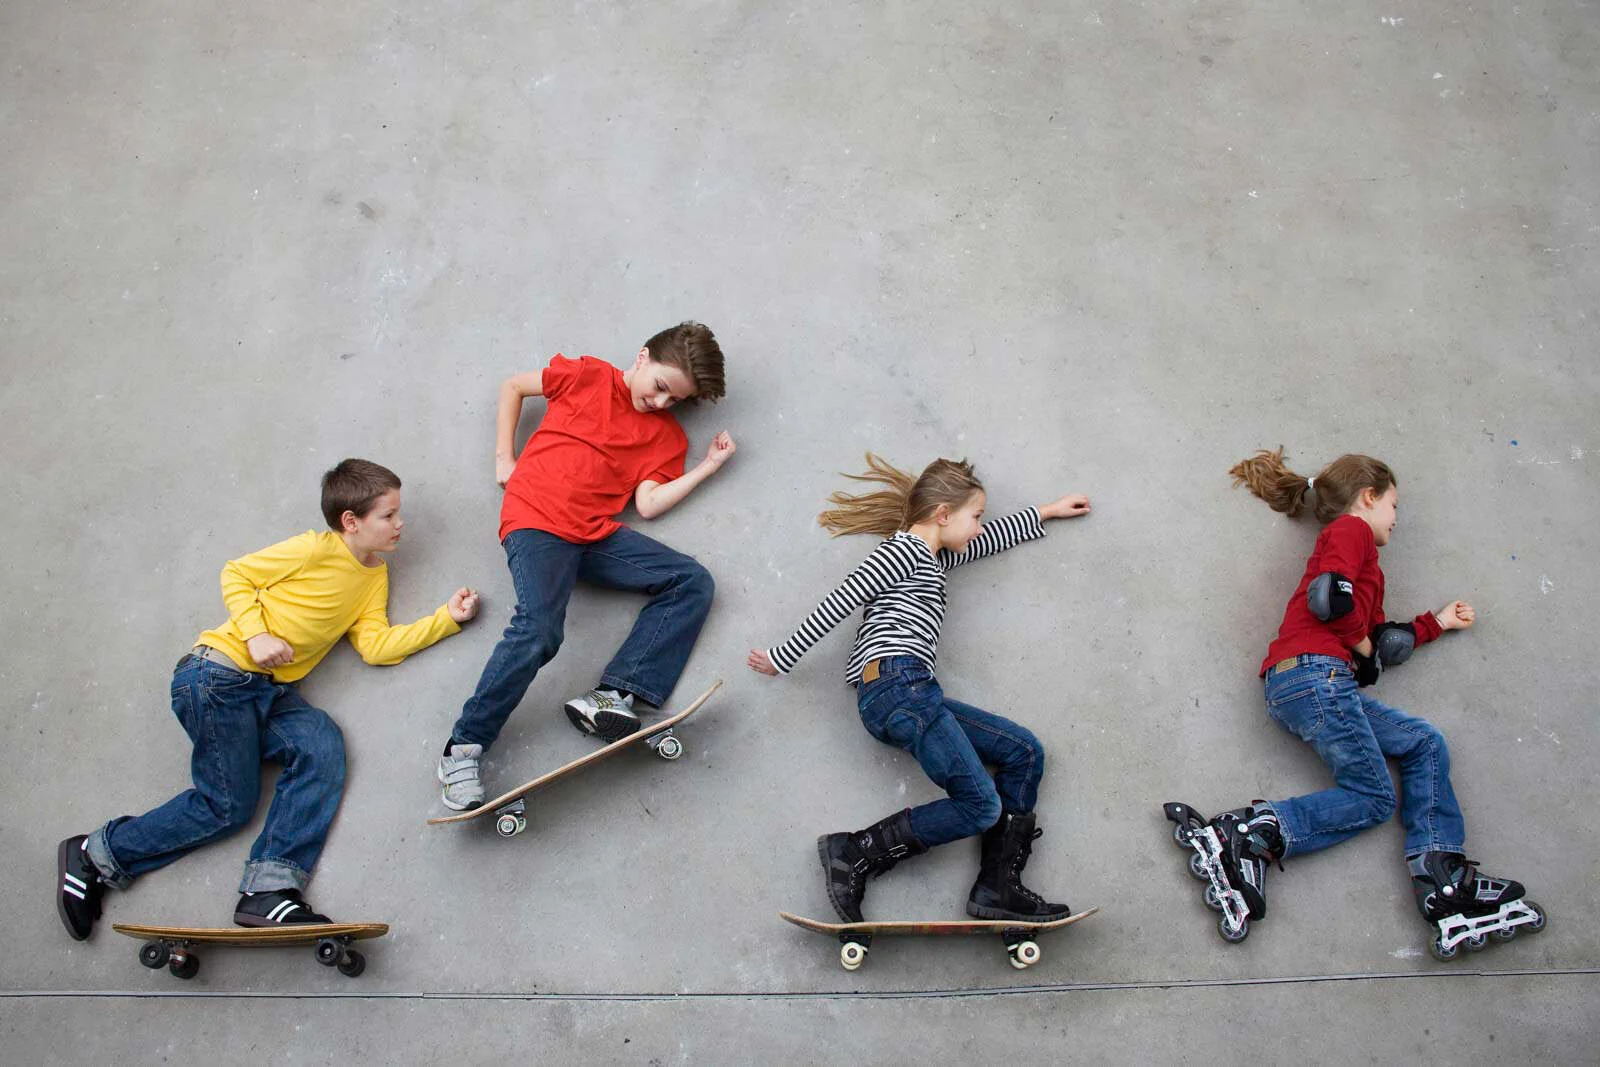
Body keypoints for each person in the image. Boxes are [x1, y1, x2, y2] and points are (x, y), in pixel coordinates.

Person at [57, 459, 479, 939]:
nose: (400, 523)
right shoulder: (313, 549)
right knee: (227, 806)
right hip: (217, 674)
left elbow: (375, 646)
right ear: (351, 521)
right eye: (388, 515)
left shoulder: (374, 577)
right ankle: (94, 855)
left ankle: (270, 888)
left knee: (319, 742)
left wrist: (445, 619)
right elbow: (236, 574)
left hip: (263, 692)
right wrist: (256, 635)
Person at [1180, 447, 1542, 956]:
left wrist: (1436, 624)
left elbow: (1382, 640)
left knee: (1423, 743)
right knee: (1373, 799)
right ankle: (1251, 834)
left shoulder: (1367, 562)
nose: (1396, 518)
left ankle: (1442, 875)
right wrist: (1364, 648)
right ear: (1368, 497)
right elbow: (1330, 598)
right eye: (1394, 505)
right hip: (1316, 676)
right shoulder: (1350, 531)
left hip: (1315, 683)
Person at [748, 454, 1091, 923]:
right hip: (895, 685)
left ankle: (997, 887)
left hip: (913, 692)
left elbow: (986, 540)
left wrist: (1046, 511)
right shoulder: (902, 552)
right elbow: (842, 598)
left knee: (1023, 752)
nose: (979, 526)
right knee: (980, 807)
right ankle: (854, 852)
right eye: (976, 515)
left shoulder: (933, 558)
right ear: (943, 514)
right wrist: (781, 657)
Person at [436, 322, 733, 811]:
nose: (661, 403)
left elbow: (649, 504)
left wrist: (708, 467)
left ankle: (613, 695)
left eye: (674, 400)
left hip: (591, 535)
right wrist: (504, 458)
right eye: (660, 386)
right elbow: (514, 386)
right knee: (539, 630)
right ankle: (462, 749)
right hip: (536, 519)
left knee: (692, 582)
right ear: (642, 357)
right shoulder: (587, 376)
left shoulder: (666, 437)